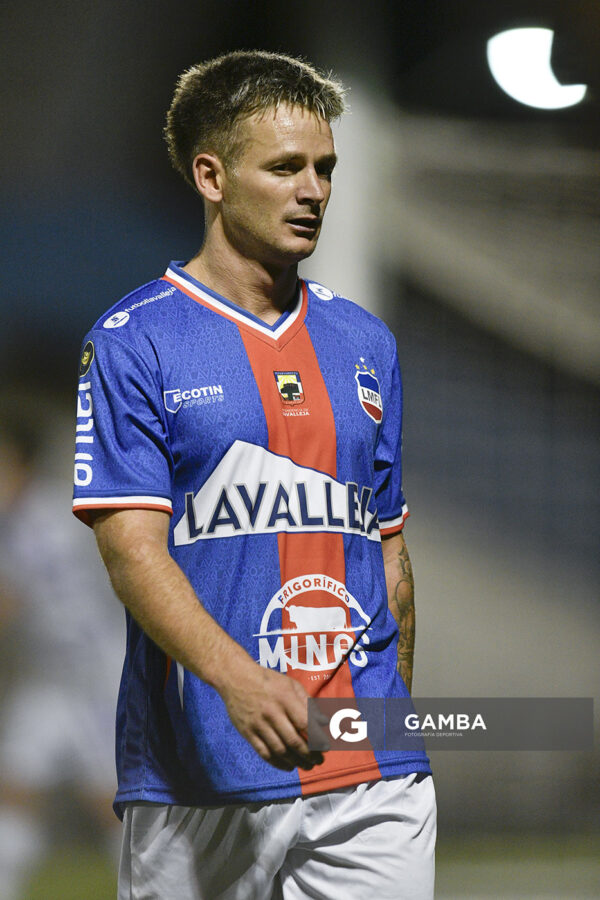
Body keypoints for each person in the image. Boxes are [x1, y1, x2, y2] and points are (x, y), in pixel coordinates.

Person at [72, 50, 436, 899]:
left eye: (324, 169)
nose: (313, 190)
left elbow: (390, 555)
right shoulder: (135, 340)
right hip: (199, 774)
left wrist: (390, 722)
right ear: (211, 175)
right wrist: (240, 683)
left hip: (370, 773)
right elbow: (132, 554)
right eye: (284, 168)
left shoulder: (365, 342)